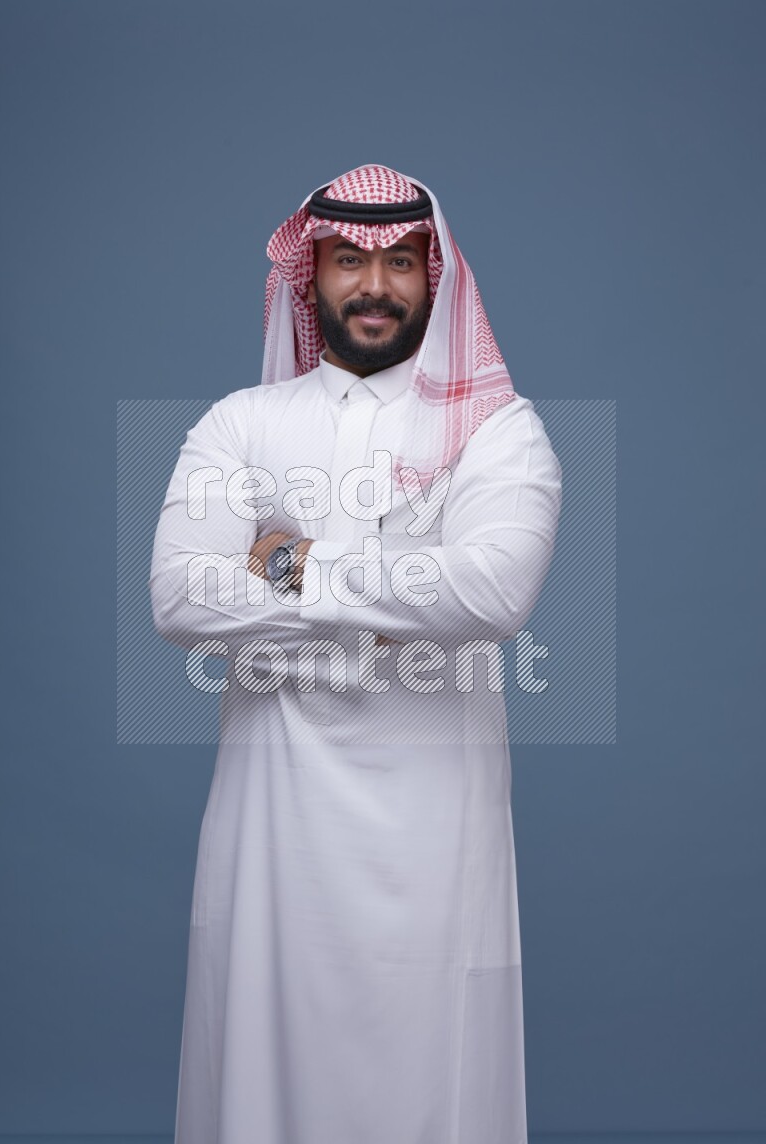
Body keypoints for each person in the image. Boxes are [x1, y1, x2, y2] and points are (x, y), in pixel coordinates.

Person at [150, 165, 562, 1143]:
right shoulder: (237, 427)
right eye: (346, 259)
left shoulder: (497, 432)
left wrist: (289, 561)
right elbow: (178, 594)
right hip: (274, 827)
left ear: (434, 274)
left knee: (429, 1074)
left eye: (397, 262)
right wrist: (395, 605)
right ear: (312, 275)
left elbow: (493, 591)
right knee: (261, 1068)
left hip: (435, 832)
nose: (372, 284)